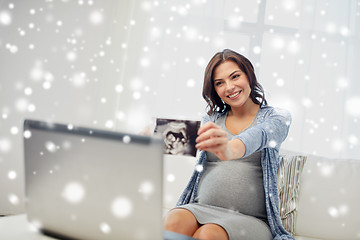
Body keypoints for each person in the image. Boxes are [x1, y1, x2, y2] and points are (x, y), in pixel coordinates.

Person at [164, 49, 294, 240]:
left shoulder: (277, 119)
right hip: (201, 207)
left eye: (235, 76)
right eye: (219, 83)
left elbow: (257, 136)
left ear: (249, 75)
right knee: (173, 220)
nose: (229, 87)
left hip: (249, 219)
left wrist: (230, 148)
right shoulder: (211, 120)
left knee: (208, 234)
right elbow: (180, 138)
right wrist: (151, 137)